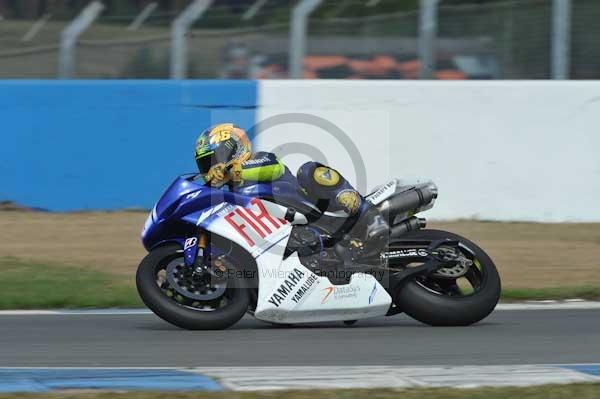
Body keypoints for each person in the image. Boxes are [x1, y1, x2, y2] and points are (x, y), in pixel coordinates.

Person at [194, 123, 388, 252]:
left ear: (232, 149)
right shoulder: (231, 196)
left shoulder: (261, 158)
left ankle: (370, 215)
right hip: (297, 236)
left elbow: (274, 167)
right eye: (206, 165)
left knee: (309, 170)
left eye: (213, 160)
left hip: (315, 206)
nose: (212, 168)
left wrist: (234, 170)